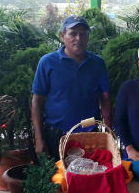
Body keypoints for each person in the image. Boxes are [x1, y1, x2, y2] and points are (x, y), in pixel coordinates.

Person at [31, 15, 111, 158]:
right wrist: (39, 139)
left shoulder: (98, 63)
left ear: (88, 37)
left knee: (90, 176)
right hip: (56, 135)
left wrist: (109, 132)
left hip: (90, 134)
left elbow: (104, 98)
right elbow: (37, 101)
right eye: (73, 34)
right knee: (58, 177)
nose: (78, 39)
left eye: (83, 34)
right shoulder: (47, 62)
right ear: (62, 36)